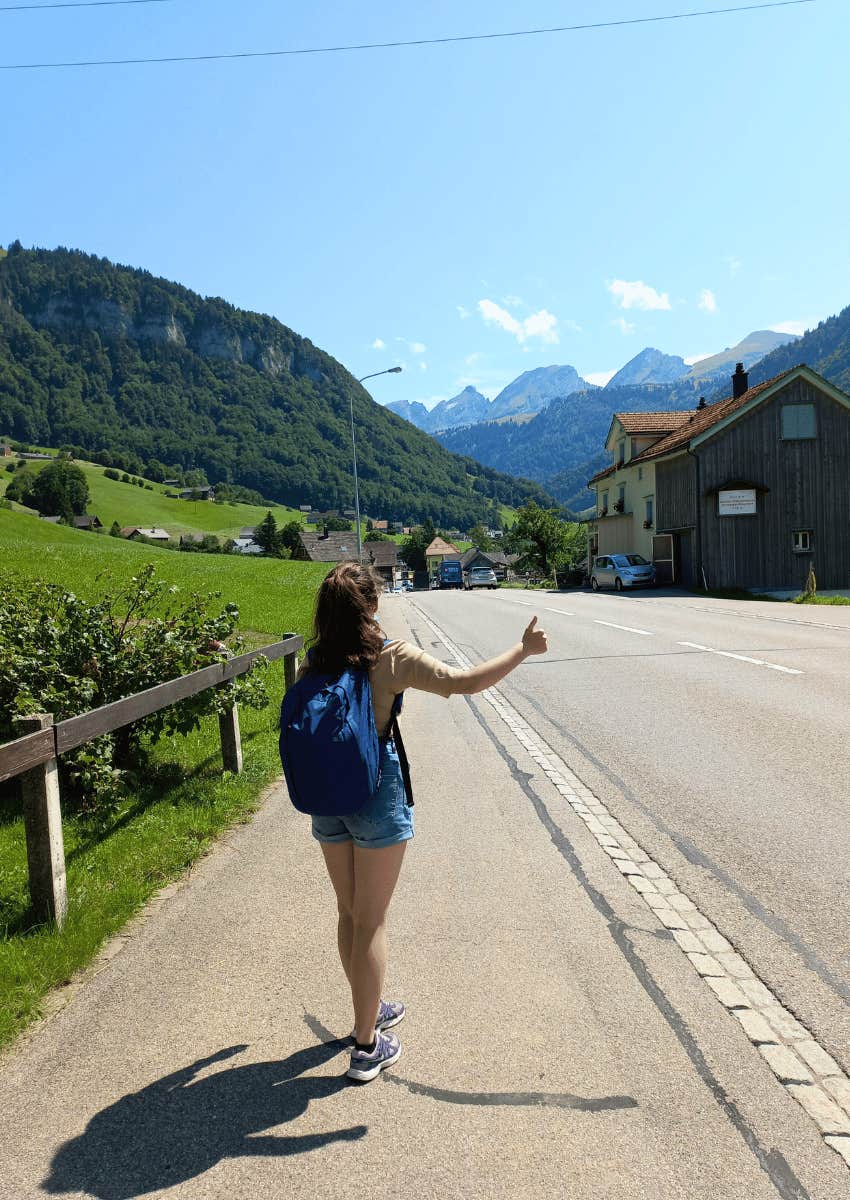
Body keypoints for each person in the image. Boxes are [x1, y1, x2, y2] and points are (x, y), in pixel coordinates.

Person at [300, 561, 548, 1082]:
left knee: (349, 914)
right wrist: (522, 651)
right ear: (370, 605)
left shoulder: (315, 660)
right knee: (371, 922)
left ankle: (366, 1009)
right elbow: (464, 682)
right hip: (374, 793)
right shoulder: (388, 657)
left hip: (326, 796)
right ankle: (367, 1046)